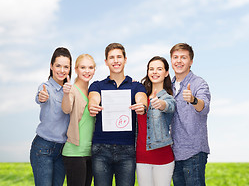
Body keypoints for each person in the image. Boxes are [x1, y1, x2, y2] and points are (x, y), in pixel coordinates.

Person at [88, 43, 147, 186]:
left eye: (119, 57)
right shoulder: (97, 85)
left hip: (127, 150)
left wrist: (142, 105)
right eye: (111, 57)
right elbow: (93, 98)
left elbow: (141, 98)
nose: (116, 61)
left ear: (125, 59)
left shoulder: (136, 86)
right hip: (101, 149)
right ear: (106, 61)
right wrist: (93, 105)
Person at [170, 43, 211, 186]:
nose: (179, 61)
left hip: (193, 152)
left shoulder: (199, 83)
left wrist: (193, 100)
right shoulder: (168, 85)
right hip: (174, 152)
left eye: (183, 57)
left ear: (191, 61)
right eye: (175, 57)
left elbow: (204, 107)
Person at [30, 47, 72, 186]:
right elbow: (40, 97)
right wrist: (42, 97)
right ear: (51, 66)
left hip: (62, 150)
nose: (62, 70)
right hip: (43, 148)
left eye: (66, 66)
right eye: (58, 65)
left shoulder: (70, 90)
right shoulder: (45, 87)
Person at [136, 56, 176, 186]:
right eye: (151, 69)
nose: (155, 72)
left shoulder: (167, 98)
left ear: (166, 73)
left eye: (159, 69)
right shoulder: (140, 97)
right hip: (141, 157)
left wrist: (161, 104)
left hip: (163, 157)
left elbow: (169, 106)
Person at [61, 54, 96, 186]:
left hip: (90, 152)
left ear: (94, 70)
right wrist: (65, 93)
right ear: (76, 69)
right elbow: (66, 108)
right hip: (74, 152)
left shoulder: (93, 92)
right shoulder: (72, 90)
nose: (87, 71)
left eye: (90, 67)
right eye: (83, 67)